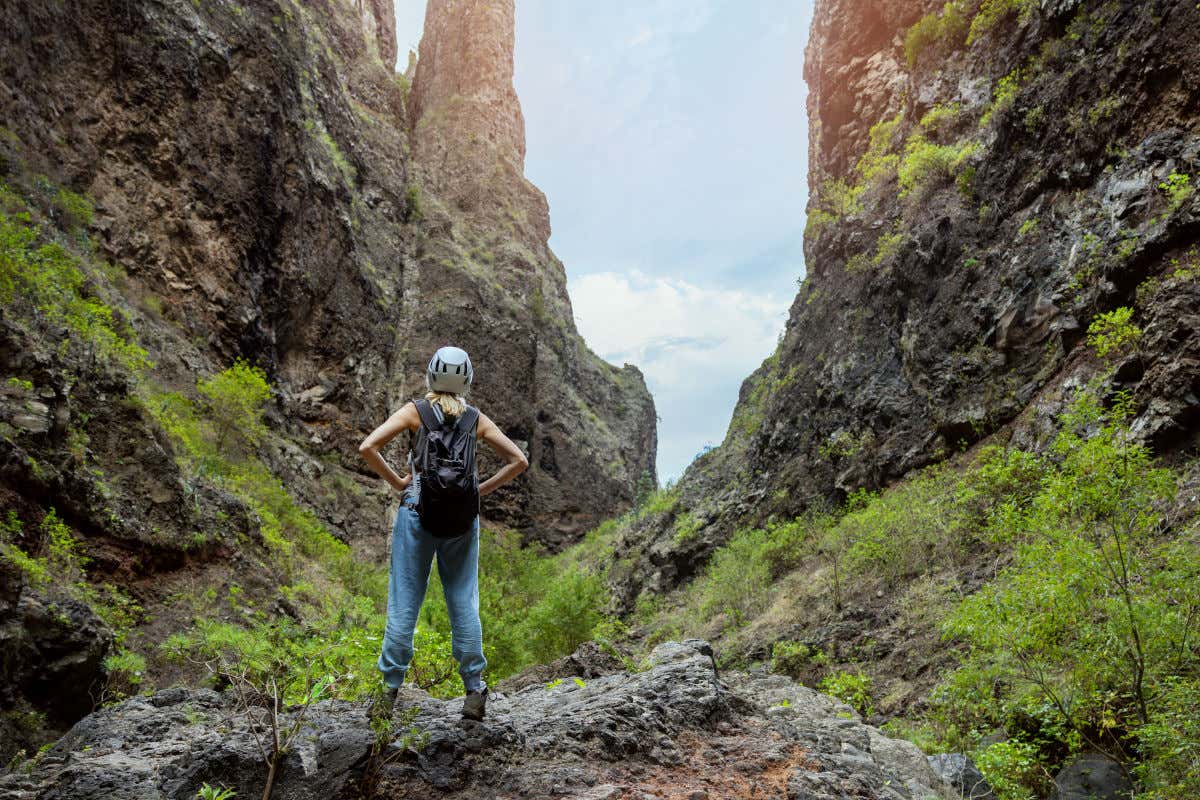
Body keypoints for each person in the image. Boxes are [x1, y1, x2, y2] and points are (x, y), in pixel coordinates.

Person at [357, 345, 528, 721]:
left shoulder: (414, 412)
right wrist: (478, 491)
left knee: (405, 602)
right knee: (463, 601)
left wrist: (400, 482)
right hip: (462, 519)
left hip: (416, 509)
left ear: (432, 375)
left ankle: (388, 694)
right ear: (467, 379)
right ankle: (473, 691)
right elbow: (519, 461)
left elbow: (368, 446)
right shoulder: (475, 419)